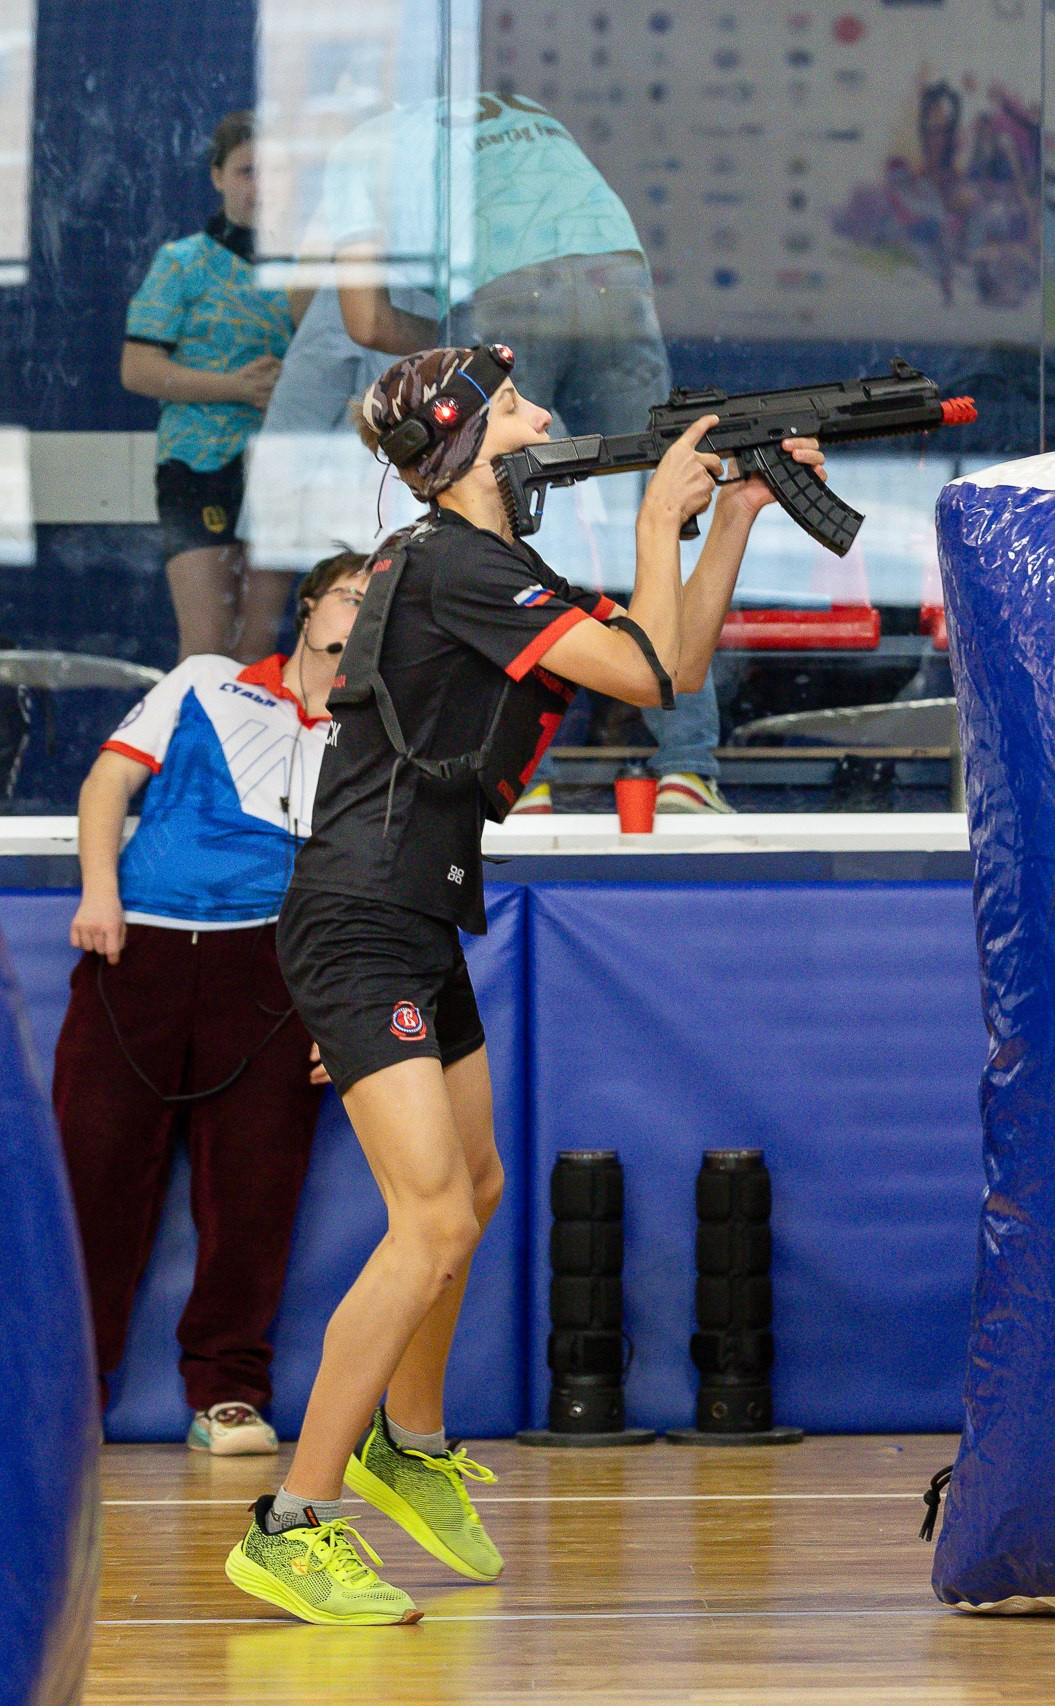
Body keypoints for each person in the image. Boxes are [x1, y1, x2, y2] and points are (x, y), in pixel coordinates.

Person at [219, 342, 822, 1626]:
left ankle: (410, 1439)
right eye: (513, 404)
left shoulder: (493, 571)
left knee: (476, 1186)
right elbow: (649, 668)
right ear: (469, 442)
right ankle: (293, 1520)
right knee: (430, 1220)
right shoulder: (457, 562)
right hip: (362, 915)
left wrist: (731, 520)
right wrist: (663, 512)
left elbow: (678, 670)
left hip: (416, 915)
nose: (543, 415)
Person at [315, 90, 730, 815]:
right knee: (668, 500)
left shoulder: (356, 145)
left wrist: (472, 353)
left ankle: (521, 775)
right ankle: (688, 770)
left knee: (506, 526)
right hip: (617, 274)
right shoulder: (513, 102)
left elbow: (367, 319)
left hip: (508, 286)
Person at [54, 554, 367, 1455]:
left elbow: (363, 886)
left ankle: (228, 1393)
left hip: (271, 970)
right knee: (96, 1184)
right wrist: (99, 892)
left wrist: (336, 1011)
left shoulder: (369, 738)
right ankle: (67, 1393)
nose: (361, 609)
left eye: (378, 603)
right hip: (138, 947)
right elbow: (109, 781)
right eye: (351, 592)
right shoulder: (205, 680)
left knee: (255, 1199)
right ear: (309, 605)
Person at [121, 111, 295, 661]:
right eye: (246, 172)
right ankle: (186, 752)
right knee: (205, 650)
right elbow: (137, 368)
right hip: (198, 467)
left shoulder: (306, 272)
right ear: (217, 176)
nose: (260, 187)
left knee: (259, 647)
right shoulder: (180, 263)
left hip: (279, 468)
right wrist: (235, 388)